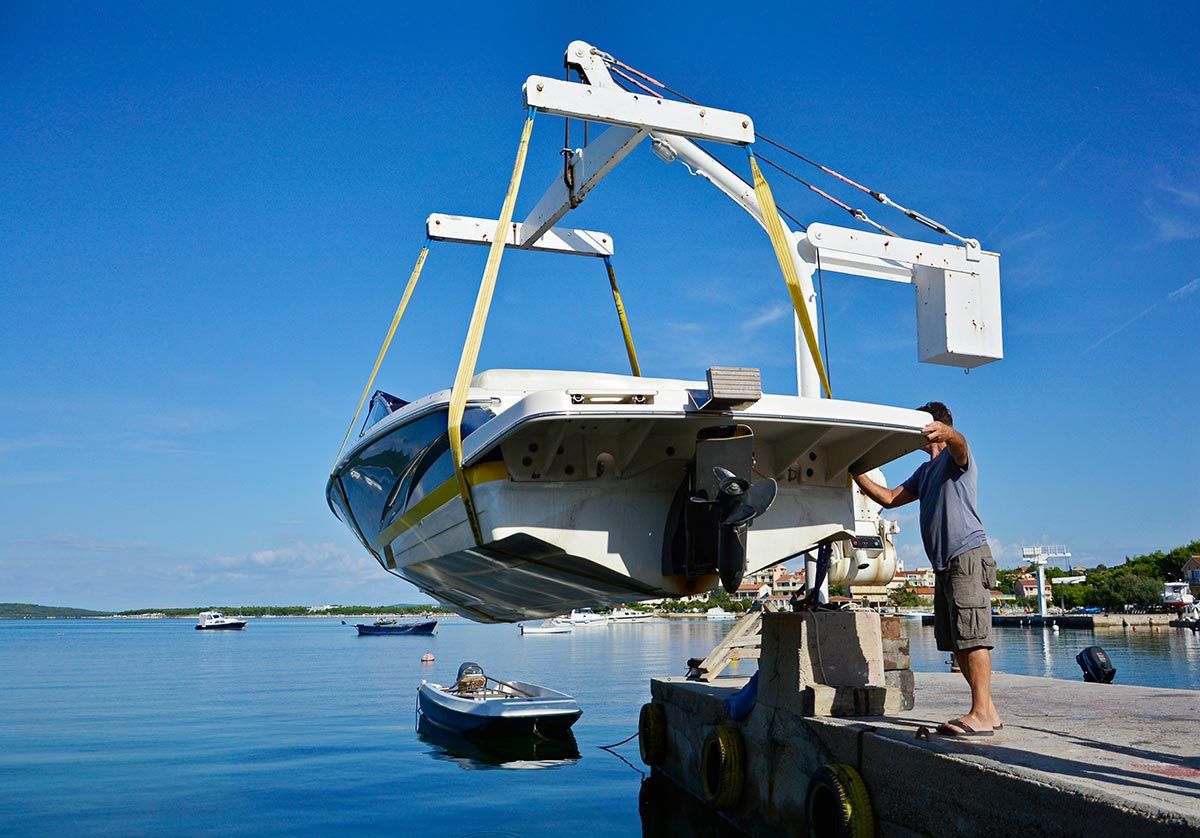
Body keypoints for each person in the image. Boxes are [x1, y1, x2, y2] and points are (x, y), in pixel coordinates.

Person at [852, 401, 1001, 736]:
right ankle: (988, 709)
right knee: (957, 641)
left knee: (974, 637)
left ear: (933, 427)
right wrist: (855, 472)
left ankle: (980, 714)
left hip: (967, 555)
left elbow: (961, 446)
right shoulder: (925, 472)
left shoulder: (954, 458)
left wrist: (949, 434)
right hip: (944, 564)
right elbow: (889, 498)